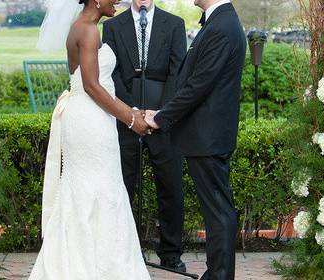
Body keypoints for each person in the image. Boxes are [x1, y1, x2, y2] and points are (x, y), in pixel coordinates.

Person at [28, 0, 152, 279]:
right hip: (90, 120)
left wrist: (131, 111)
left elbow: (100, 85)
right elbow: (92, 86)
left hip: (91, 116)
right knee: (100, 189)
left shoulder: (82, 26)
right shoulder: (88, 30)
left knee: (92, 189)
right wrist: (130, 120)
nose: (118, 0)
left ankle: (83, 262)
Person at [145, 0, 246, 279]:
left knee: (218, 211)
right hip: (206, 136)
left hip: (209, 137)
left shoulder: (222, 26)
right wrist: (164, 112)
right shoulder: (219, 22)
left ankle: (220, 275)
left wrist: (161, 118)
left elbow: (198, 85)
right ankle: (216, 273)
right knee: (217, 210)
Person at [102, 0, 187, 271]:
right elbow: (111, 73)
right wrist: (133, 113)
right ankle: (125, 251)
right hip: (127, 118)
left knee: (170, 187)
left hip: (164, 120)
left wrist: (160, 115)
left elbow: (178, 73)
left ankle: (171, 254)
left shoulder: (174, 25)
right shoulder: (113, 27)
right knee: (124, 186)